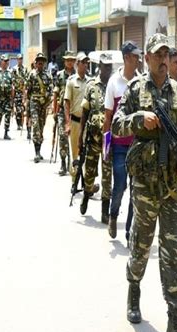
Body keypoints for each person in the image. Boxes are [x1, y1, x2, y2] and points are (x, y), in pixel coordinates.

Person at [112, 33, 177, 332]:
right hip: (144, 186)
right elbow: (116, 126)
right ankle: (133, 286)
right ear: (146, 58)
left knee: (174, 253)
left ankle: (175, 324)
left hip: (172, 186)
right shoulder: (134, 90)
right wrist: (137, 118)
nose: (162, 59)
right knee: (141, 248)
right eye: (157, 55)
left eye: (166, 54)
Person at [103, 40, 141, 241]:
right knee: (120, 186)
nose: (138, 60)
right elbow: (108, 116)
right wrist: (105, 146)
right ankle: (113, 214)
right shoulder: (113, 82)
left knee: (136, 189)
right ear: (126, 58)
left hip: (137, 146)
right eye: (135, 56)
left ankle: (129, 231)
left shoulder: (140, 81)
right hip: (118, 145)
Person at [78, 54, 113, 224]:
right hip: (92, 138)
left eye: (110, 66)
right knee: (89, 172)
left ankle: (105, 211)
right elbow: (85, 111)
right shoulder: (91, 85)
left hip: (108, 139)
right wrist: (80, 136)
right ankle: (86, 195)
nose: (108, 69)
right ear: (100, 66)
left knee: (107, 175)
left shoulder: (114, 85)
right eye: (105, 66)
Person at [64, 52, 92, 181]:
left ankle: (87, 184)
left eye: (87, 63)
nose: (85, 65)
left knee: (87, 153)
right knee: (75, 152)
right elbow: (67, 103)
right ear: (77, 64)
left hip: (88, 123)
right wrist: (68, 123)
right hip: (75, 122)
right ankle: (74, 181)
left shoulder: (91, 82)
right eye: (83, 62)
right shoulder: (71, 81)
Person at [26, 52, 53, 163]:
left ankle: (39, 149)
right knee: (36, 125)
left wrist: (48, 102)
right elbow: (28, 90)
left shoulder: (48, 75)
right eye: (39, 61)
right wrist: (27, 103)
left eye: (42, 61)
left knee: (41, 126)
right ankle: (36, 152)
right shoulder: (32, 75)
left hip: (44, 104)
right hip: (34, 103)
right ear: (36, 63)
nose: (40, 63)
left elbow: (51, 90)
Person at [52, 50, 76, 176]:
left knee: (75, 138)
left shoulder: (79, 75)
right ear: (65, 61)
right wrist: (54, 111)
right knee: (62, 137)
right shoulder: (59, 75)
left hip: (75, 111)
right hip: (62, 110)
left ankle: (73, 162)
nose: (70, 62)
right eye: (68, 60)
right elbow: (55, 93)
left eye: (72, 60)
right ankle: (63, 162)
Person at [0, 54, 14, 140]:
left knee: (8, 115)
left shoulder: (10, 73)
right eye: (5, 61)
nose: (6, 63)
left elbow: (12, 86)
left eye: (7, 61)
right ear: (1, 62)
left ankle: (6, 132)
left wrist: (12, 99)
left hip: (7, 98)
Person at [11, 53, 29, 130]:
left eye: (21, 59)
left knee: (23, 108)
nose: (20, 60)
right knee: (17, 109)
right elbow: (12, 80)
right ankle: (18, 123)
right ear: (17, 60)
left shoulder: (25, 69)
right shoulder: (14, 69)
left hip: (23, 91)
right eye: (19, 59)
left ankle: (21, 123)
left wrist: (26, 90)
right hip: (17, 91)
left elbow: (27, 79)